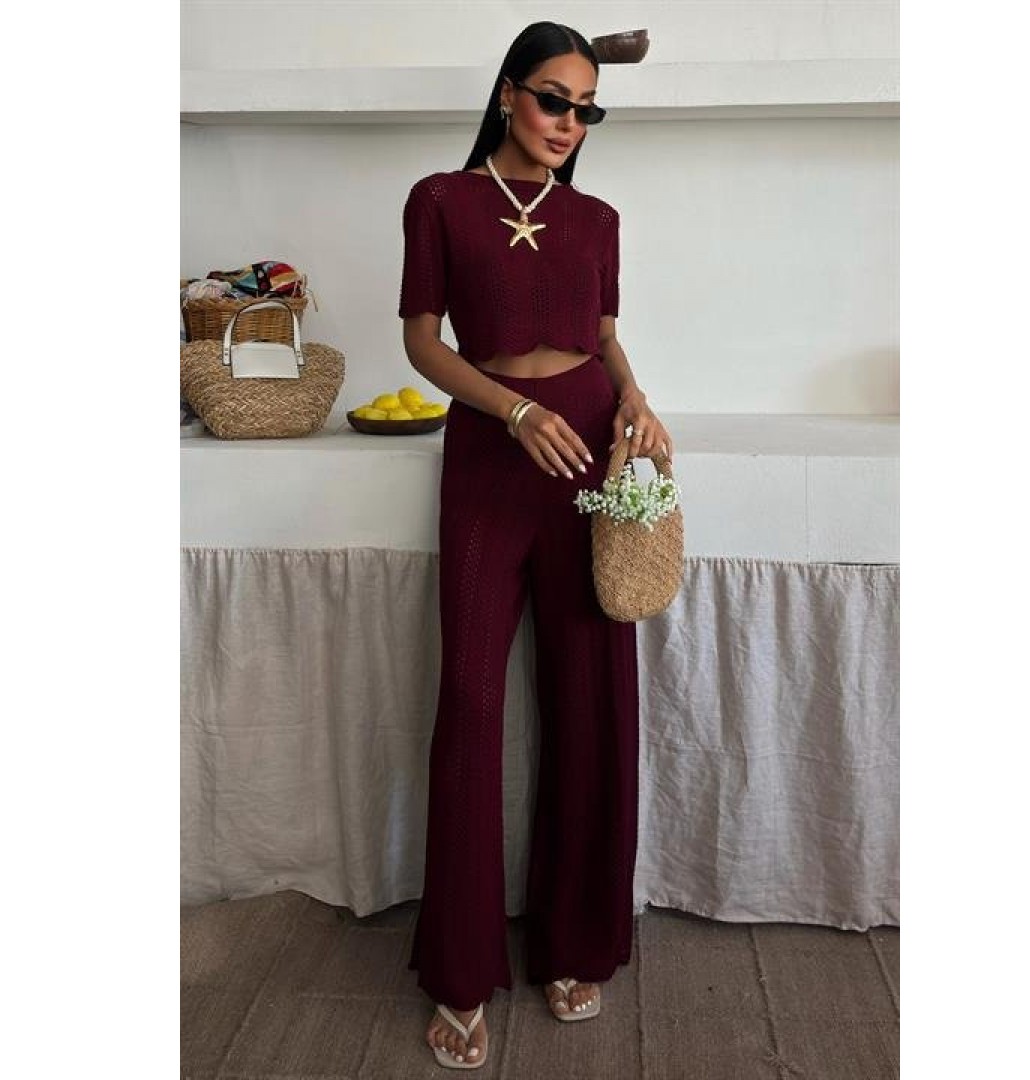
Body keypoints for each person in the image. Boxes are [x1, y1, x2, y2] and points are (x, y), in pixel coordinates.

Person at [397, 21, 673, 1070]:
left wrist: (637, 400)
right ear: (510, 92)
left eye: (586, 108)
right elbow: (422, 340)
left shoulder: (597, 218)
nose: (569, 122)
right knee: (470, 703)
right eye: (554, 99)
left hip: (588, 453)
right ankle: (461, 971)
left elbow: (601, 338)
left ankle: (576, 942)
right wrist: (512, 412)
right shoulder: (440, 199)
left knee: (591, 695)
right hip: (491, 455)